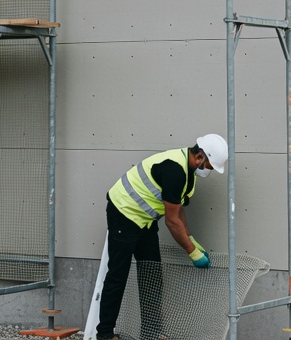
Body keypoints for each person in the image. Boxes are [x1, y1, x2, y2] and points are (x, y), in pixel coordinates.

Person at [94, 134, 228, 340]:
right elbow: (172, 221)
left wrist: (190, 238)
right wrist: (192, 253)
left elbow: (178, 209)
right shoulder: (175, 169)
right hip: (124, 212)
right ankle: (104, 334)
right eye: (210, 166)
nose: (209, 170)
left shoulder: (187, 171)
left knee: (152, 275)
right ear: (200, 156)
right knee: (117, 275)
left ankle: (151, 333)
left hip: (144, 219)